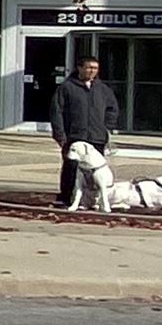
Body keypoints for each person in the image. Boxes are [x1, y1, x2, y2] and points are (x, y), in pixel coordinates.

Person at [49, 53, 119, 210]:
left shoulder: (102, 89)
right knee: (71, 167)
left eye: (95, 68)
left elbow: (112, 108)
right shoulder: (67, 88)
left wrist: (107, 126)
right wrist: (60, 134)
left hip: (97, 137)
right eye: (88, 68)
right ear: (80, 68)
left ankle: (93, 200)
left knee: (96, 170)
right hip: (74, 136)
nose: (92, 71)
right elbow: (57, 111)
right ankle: (66, 197)